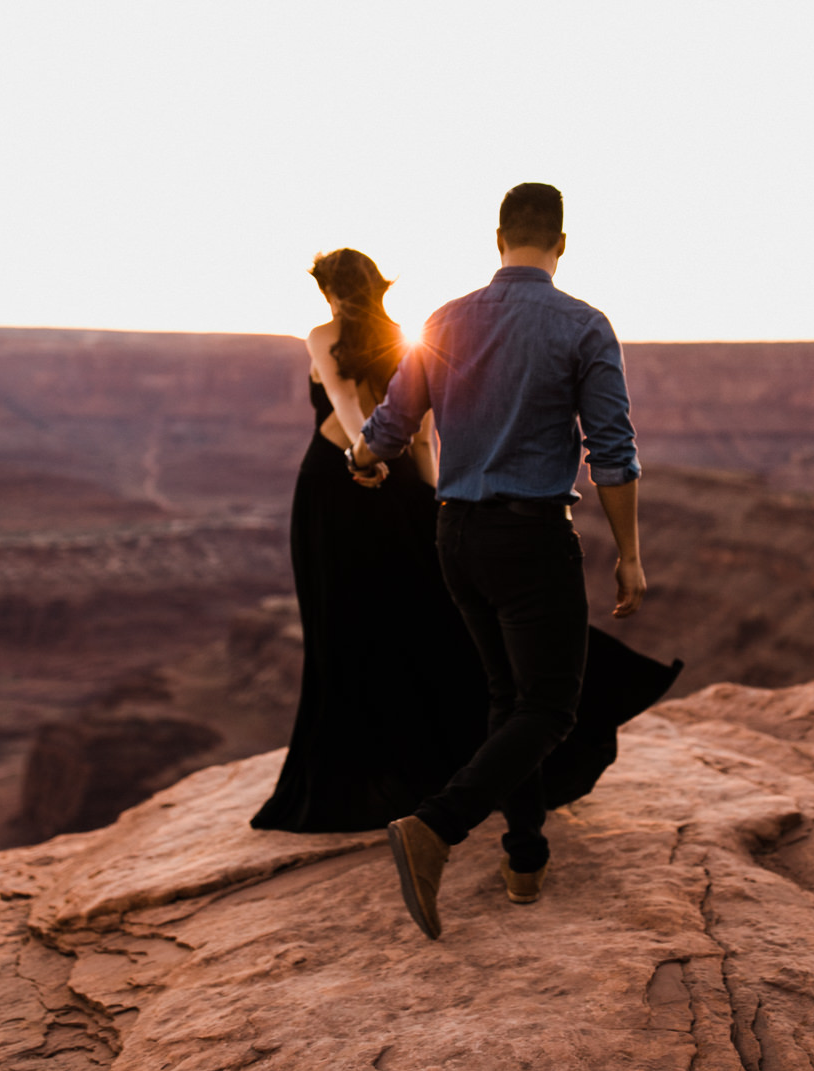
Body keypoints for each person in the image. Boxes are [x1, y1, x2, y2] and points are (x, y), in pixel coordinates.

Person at [249, 247, 675, 841]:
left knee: (344, 629)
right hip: (401, 493)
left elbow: (350, 409)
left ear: (327, 291)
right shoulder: (406, 337)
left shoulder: (323, 335)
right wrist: (431, 501)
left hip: (337, 490)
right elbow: (423, 440)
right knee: (425, 625)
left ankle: (360, 781)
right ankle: (456, 775)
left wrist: (360, 458)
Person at [351, 182, 646, 940]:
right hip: (530, 538)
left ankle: (524, 857)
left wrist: (365, 453)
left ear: (497, 238)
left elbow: (392, 421)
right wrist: (631, 558)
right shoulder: (583, 325)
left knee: (507, 696)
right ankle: (436, 828)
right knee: (549, 708)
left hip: (456, 536)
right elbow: (611, 452)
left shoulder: (444, 319)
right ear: (562, 243)